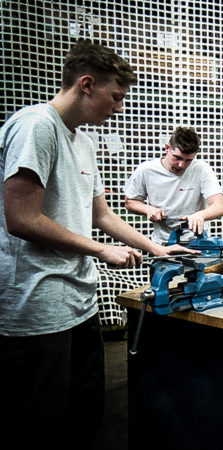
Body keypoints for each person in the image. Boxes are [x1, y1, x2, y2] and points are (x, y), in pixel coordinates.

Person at [0, 39, 194, 449]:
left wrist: (158, 250)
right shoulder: (36, 126)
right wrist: (100, 250)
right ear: (86, 84)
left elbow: (101, 216)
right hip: (36, 304)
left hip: (78, 301)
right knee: (39, 426)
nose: (119, 107)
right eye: (115, 96)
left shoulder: (82, 141)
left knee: (85, 416)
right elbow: (20, 218)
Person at [124, 126, 223, 244]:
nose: (181, 165)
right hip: (162, 244)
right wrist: (147, 209)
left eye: (188, 160)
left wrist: (199, 216)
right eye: (177, 158)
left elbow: (219, 206)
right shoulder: (146, 170)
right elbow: (129, 202)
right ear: (167, 148)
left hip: (196, 243)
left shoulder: (201, 169)